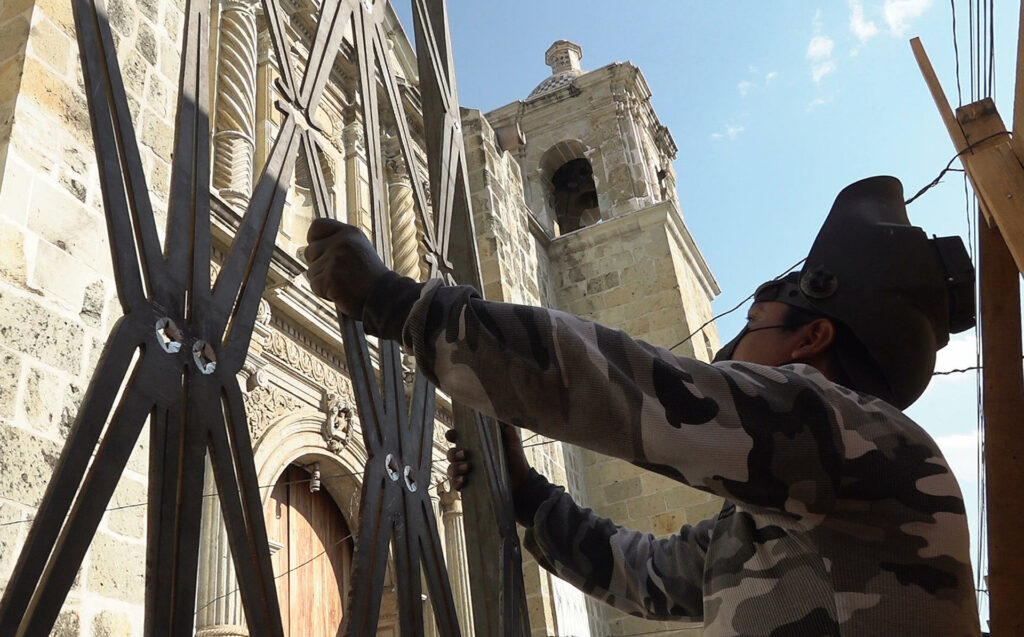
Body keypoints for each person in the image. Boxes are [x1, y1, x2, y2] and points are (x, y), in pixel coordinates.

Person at [304, 176, 981, 636]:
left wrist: (396, 303)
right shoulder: (786, 514)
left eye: (752, 324)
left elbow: (626, 386)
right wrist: (525, 493)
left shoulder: (859, 438)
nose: (725, 350)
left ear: (810, 336)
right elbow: (645, 573)